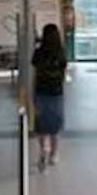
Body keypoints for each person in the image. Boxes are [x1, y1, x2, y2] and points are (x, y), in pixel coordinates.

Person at [31, 23, 68, 170]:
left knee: (41, 124)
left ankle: (43, 150)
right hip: (56, 92)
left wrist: (32, 91)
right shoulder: (61, 53)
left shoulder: (38, 52)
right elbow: (64, 74)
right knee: (54, 125)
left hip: (41, 90)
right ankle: (54, 154)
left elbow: (35, 74)